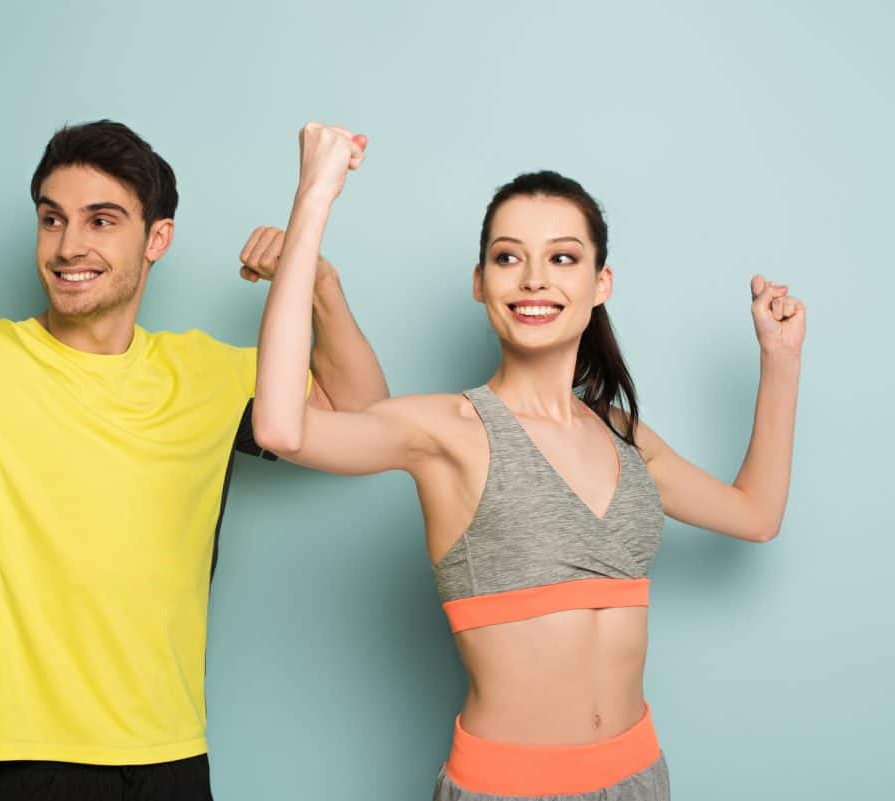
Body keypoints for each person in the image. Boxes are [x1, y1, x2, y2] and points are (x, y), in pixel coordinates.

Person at [0, 120, 388, 801]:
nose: (68, 246)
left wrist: (315, 280)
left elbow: (362, 420)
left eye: (101, 220)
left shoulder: (208, 374)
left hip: (172, 760)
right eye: (52, 220)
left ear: (157, 239)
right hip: (21, 766)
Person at [252, 123, 805, 800]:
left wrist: (780, 361)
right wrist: (315, 196)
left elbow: (755, 513)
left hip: (641, 774)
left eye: (563, 258)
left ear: (602, 282)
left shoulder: (623, 433)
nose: (535, 278)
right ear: (480, 283)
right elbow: (281, 426)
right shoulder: (448, 429)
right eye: (508, 258)